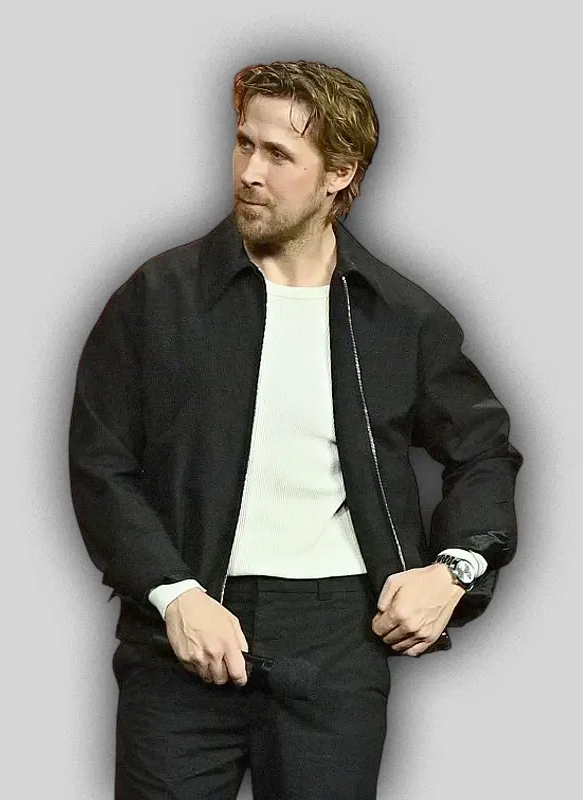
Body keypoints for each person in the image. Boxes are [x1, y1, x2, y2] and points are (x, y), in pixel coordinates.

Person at [69, 60, 523, 799]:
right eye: (244, 143)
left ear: (340, 174)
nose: (250, 172)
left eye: (279, 155)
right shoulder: (158, 298)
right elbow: (100, 462)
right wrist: (172, 592)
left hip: (337, 640)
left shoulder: (400, 317)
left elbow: (484, 451)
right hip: (182, 634)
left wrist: (454, 571)